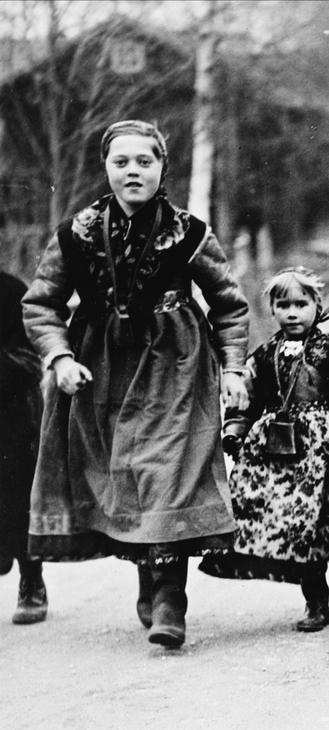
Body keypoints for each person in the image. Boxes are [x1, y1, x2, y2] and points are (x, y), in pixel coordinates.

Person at [22, 119, 250, 648]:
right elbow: (42, 303)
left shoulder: (190, 232)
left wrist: (234, 367)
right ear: (106, 168)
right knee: (125, 476)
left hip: (176, 365)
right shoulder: (75, 233)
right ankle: (149, 579)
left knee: (168, 471)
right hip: (101, 369)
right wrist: (58, 357)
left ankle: (171, 596)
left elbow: (229, 305)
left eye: (144, 161)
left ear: (161, 167)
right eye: (121, 162)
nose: (133, 172)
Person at [199, 268, 329, 631]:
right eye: (283, 305)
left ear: (316, 306)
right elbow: (246, 396)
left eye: (301, 304)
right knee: (298, 527)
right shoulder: (264, 354)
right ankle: (316, 602)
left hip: (327, 451)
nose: (292, 313)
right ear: (272, 310)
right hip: (280, 452)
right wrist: (236, 430)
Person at [1, 271, 46, 624]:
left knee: (17, 495)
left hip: (11, 412)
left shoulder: (11, 291)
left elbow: (30, 362)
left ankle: (31, 580)